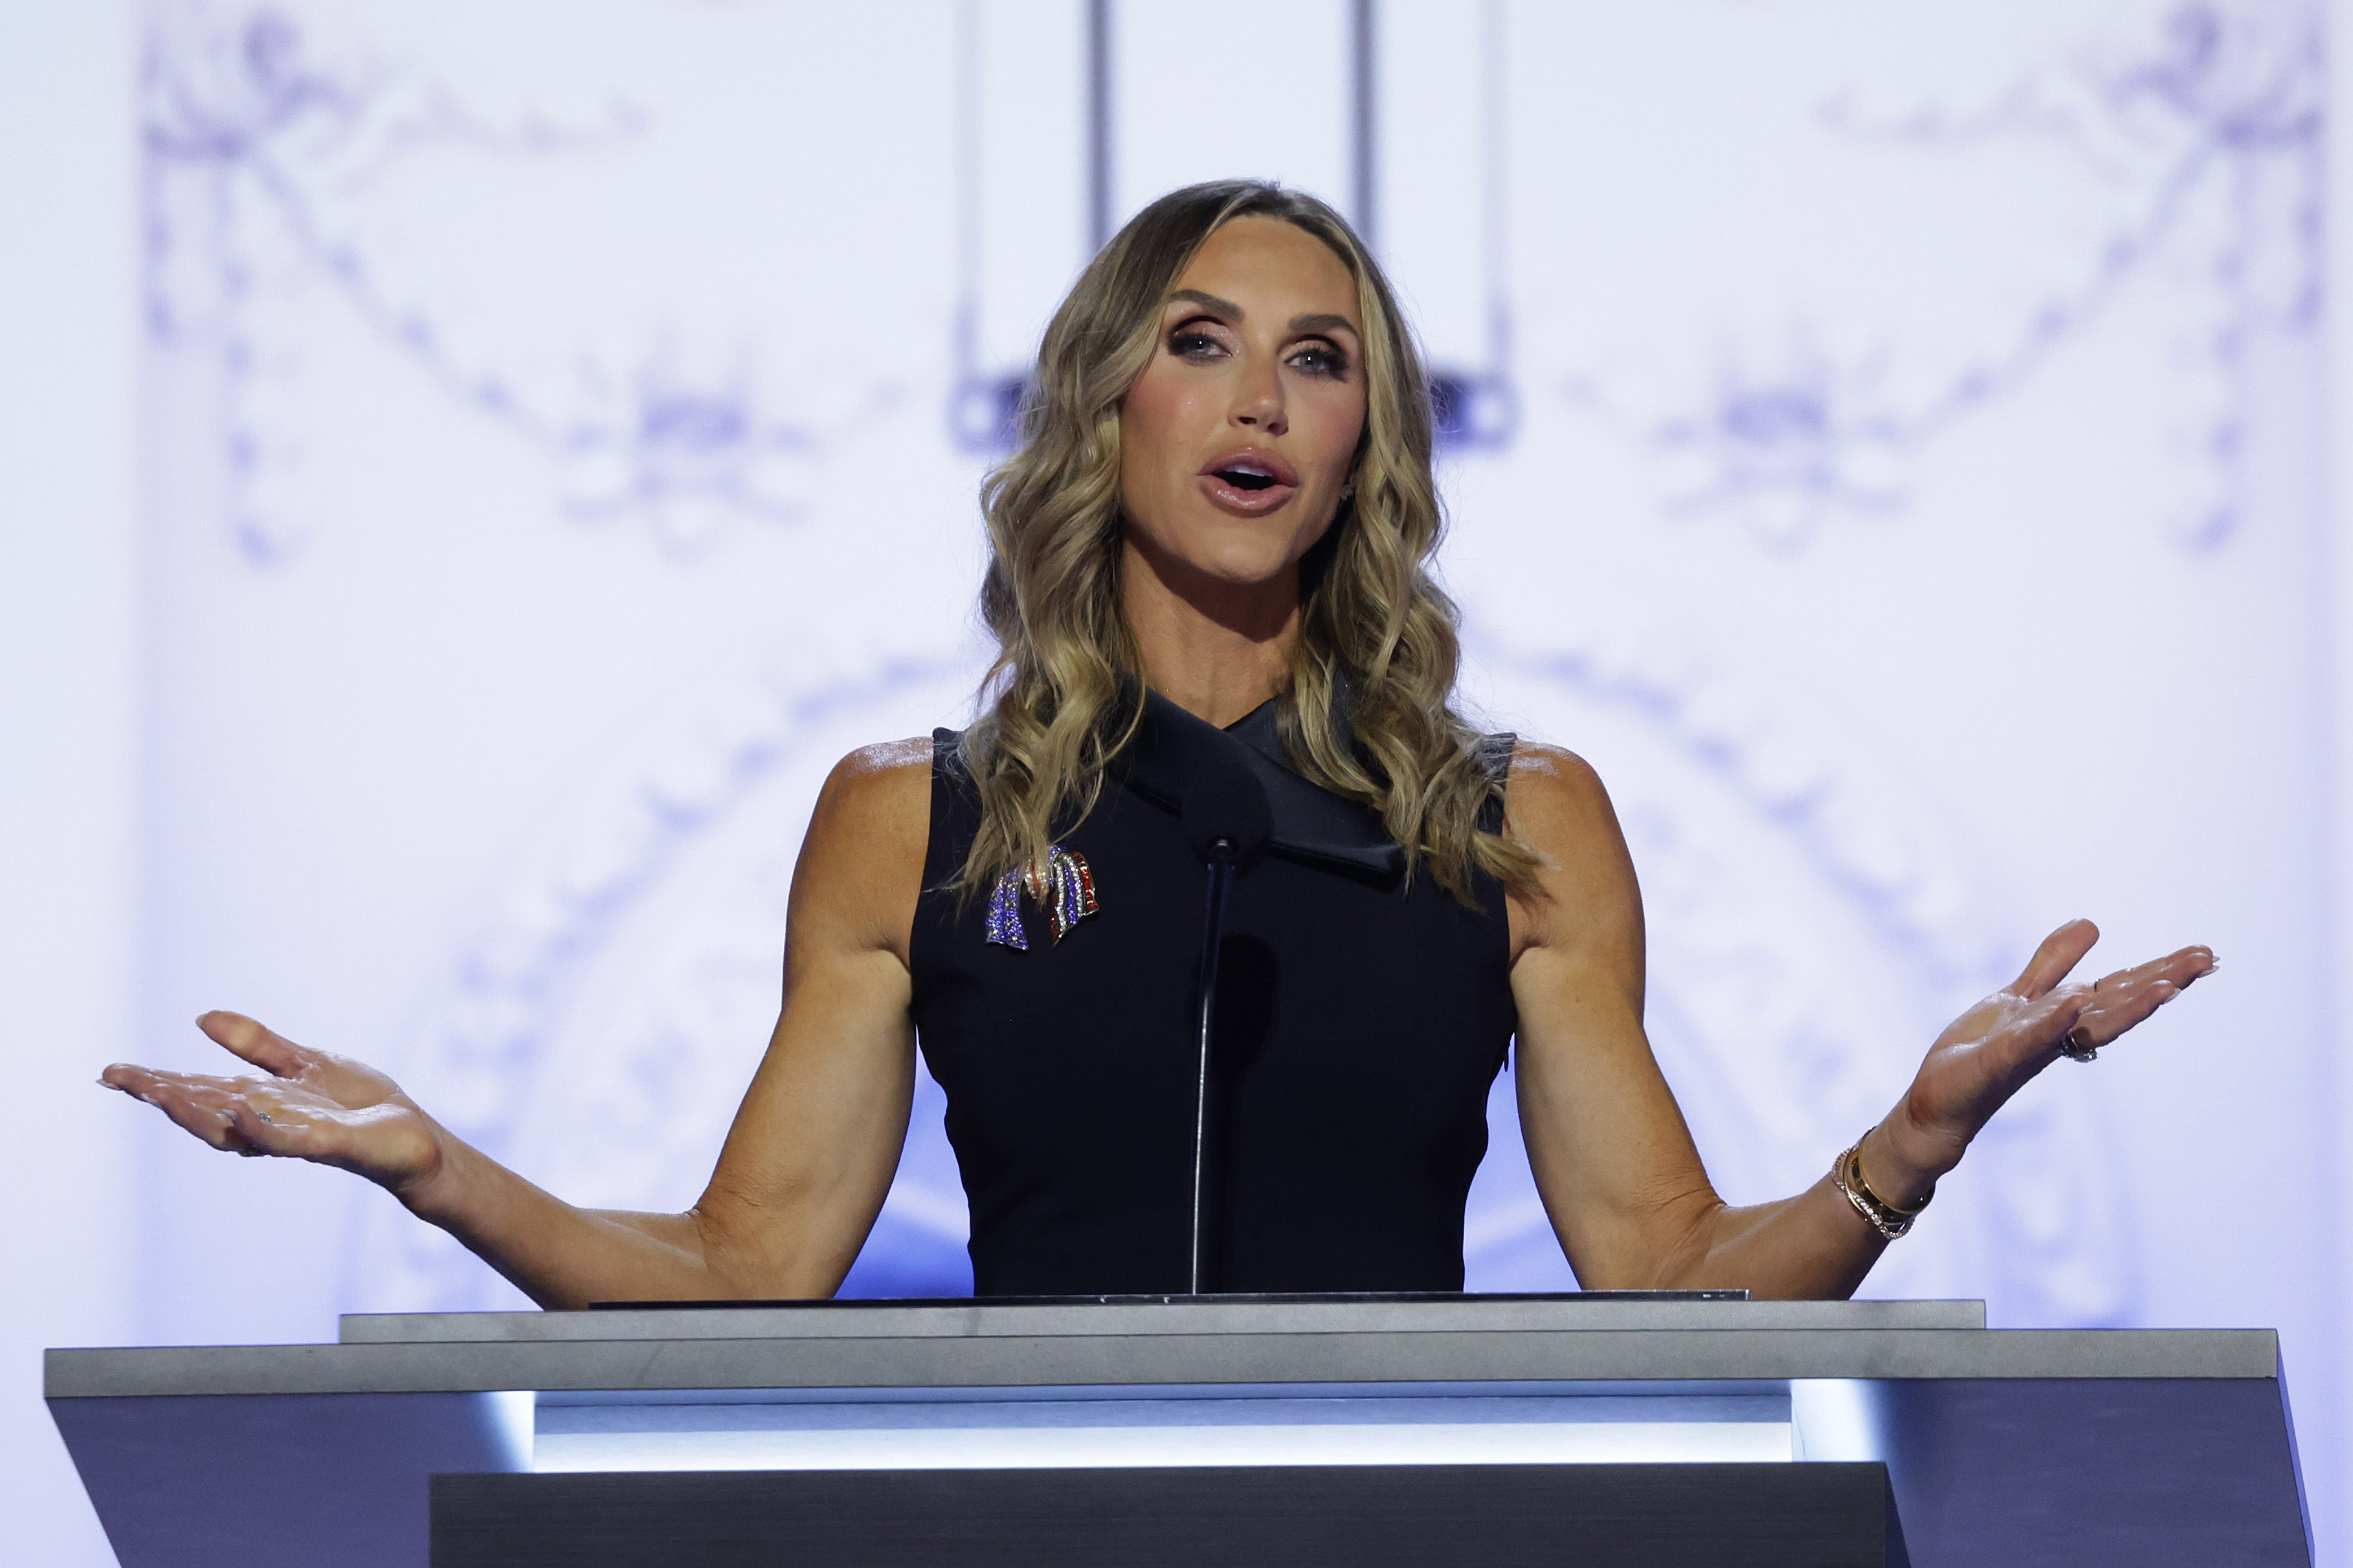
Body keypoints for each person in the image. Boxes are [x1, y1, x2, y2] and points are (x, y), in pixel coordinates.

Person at [102, 181, 2213, 1307]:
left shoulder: (1519, 826)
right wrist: (437, 1170)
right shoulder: (901, 822)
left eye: (1318, 362)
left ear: (1367, 436)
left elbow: (1671, 1269)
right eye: (1198, 348)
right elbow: (744, 1270)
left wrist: (1909, 1150)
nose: (1261, 403)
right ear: (1106, 408)